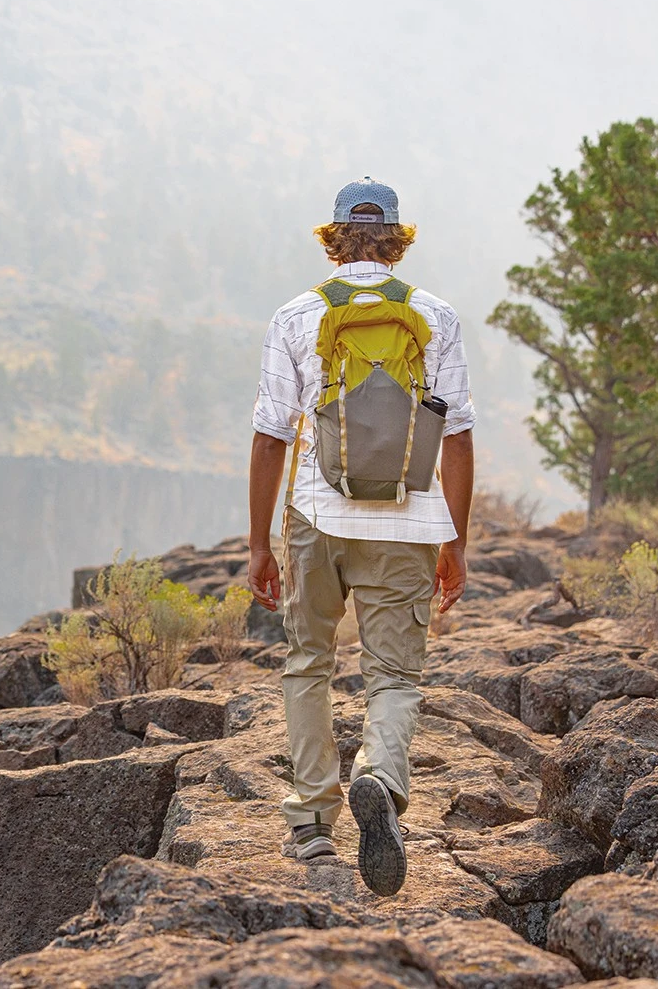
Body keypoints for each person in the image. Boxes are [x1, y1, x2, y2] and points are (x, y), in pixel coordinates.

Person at [248, 177, 475, 897]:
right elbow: (460, 436)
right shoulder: (435, 316)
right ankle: (378, 779)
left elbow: (269, 435)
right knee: (395, 674)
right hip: (408, 521)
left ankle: (313, 824)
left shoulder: (295, 316)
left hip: (317, 514)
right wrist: (456, 542)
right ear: (397, 239)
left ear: (335, 236)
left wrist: (259, 542)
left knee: (308, 660)